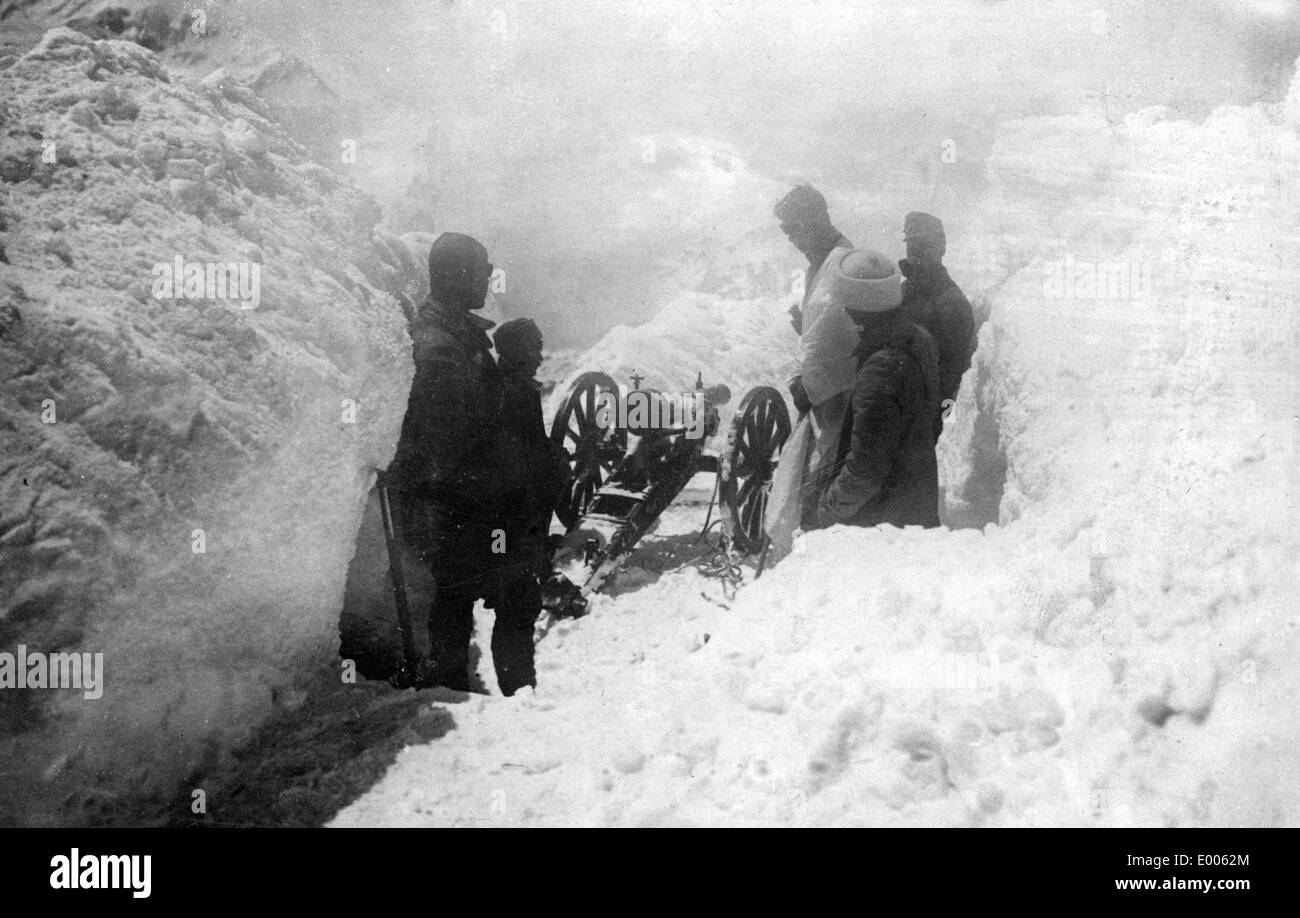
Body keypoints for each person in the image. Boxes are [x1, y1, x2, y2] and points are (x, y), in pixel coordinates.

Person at [385, 232, 508, 692]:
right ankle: (448, 682)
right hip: (445, 495)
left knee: (458, 590)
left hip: (459, 491)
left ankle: (453, 674)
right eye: (482, 272)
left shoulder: (458, 332)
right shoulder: (438, 344)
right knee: (451, 591)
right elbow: (444, 435)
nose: (488, 280)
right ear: (457, 275)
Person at [816, 249, 942, 530]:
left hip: (882, 526)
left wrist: (825, 510)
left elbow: (865, 471)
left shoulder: (880, 371)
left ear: (854, 311)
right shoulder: (918, 338)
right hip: (915, 509)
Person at [485, 318, 571, 694]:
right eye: (533, 348)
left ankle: (519, 684)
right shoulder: (510, 392)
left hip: (518, 518)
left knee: (518, 603)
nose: (539, 356)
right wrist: (553, 462)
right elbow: (515, 457)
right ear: (514, 350)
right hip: (511, 519)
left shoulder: (514, 386)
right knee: (516, 604)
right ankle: (517, 688)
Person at [773, 185, 861, 520]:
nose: (791, 238)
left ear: (816, 220)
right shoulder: (821, 261)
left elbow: (827, 335)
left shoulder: (838, 262)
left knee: (820, 477)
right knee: (815, 474)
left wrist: (804, 383)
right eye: (785, 231)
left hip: (834, 390)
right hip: (824, 389)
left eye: (795, 227)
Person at [897, 212, 975, 437]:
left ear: (942, 247)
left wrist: (941, 431)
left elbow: (951, 379)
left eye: (924, 244)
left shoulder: (952, 305)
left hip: (921, 424)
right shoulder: (907, 289)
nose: (916, 252)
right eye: (911, 245)